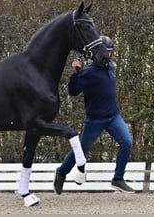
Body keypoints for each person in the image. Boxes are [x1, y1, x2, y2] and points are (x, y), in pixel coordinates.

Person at [54, 36, 135, 194]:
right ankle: (62, 173)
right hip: (95, 120)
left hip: (113, 117)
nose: (108, 55)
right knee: (81, 151)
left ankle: (118, 179)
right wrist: (76, 73)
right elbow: (72, 92)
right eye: (106, 52)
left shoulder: (110, 67)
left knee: (126, 142)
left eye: (110, 52)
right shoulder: (88, 73)